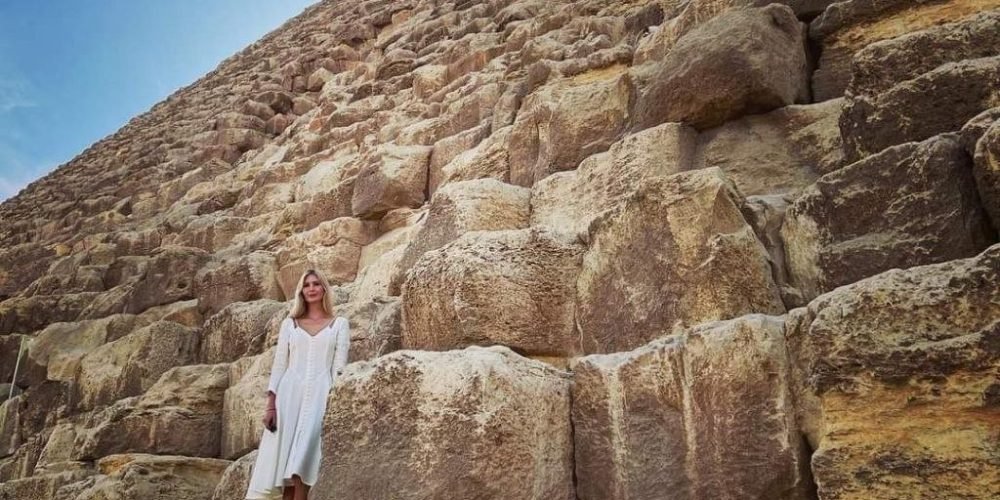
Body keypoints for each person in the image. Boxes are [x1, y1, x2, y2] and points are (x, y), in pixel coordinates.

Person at [246, 269, 350, 500]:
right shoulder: (289, 325)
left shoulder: (340, 324)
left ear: (324, 288)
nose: (311, 288)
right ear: (301, 292)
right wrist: (271, 405)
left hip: (321, 396)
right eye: (306, 285)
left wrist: (336, 402)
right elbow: (280, 365)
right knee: (287, 472)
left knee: (302, 465)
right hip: (288, 398)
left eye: (316, 284)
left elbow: (339, 367)